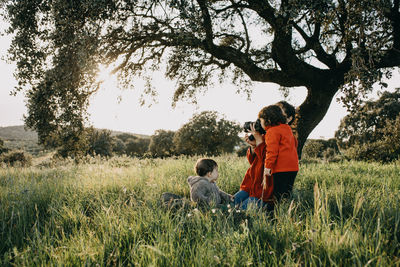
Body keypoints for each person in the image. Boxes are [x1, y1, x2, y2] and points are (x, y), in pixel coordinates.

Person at [258, 105, 299, 203]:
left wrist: (267, 167)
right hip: (293, 168)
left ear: (267, 120)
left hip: (281, 168)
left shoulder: (271, 131)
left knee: (277, 196)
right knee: (286, 195)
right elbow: (295, 143)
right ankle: (286, 213)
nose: (260, 123)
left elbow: (272, 151)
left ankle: (275, 216)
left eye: (261, 120)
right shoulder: (287, 128)